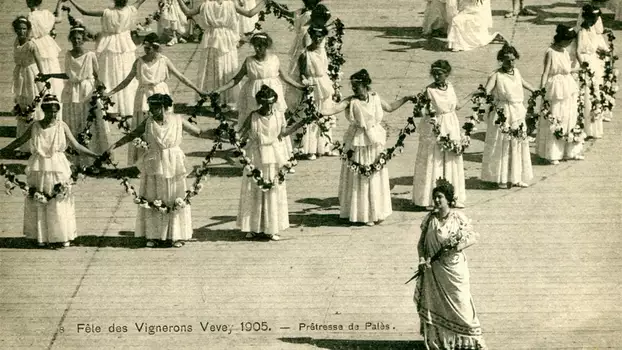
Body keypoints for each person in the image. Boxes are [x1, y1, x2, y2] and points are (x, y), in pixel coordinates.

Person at [105, 94, 213, 248]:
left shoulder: (177, 119)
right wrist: (113, 146)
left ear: (164, 106)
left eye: (155, 107)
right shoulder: (148, 122)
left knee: (174, 195)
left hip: (174, 161)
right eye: (150, 107)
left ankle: (176, 235)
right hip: (154, 162)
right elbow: (132, 135)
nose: (152, 111)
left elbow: (199, 132)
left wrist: (218, 134)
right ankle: (154, 235)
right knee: (153, 194)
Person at [0, 94, 100, 248]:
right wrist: (3, 151)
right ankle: (40, 236)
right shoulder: (35, 126)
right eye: (49, 111)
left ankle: (60, 235)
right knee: (39, 198)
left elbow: (76, 145)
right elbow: (20, 141)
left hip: (58, 166)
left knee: (58, 199)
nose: (52, 114)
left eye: (55, 111)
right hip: (39, 166)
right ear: (44, 110)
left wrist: (95, 155)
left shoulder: (62, 126)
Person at [321, 69, 413, 226]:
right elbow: (331, 110)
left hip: (374, 141)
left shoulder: (375, 97)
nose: (354, 89)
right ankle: (361, 213)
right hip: (358, 142)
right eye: (353, 86)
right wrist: (314, 104)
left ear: (365, 85)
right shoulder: (351, 101)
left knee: (374, 173)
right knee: (360, 175)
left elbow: (390, 107)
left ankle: (375, 211)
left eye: (357, 86)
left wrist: (406, 98)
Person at [105, 33, 206, 165]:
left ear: (156, 48)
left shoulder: (164, 60)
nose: (146, 51)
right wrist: (111, 92)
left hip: (161, 94)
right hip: (143, 96)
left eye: (149, 48)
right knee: (143, 128)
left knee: (163, 125)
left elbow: (181, 77)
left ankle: (164, 160)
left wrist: (198, 90)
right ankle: (143, 162)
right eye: (145, 48)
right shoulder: (139, 62)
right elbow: (127, 80)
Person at [414, 179, 487, 350]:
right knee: (436, 306)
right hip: (433, 272)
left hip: (454, 270)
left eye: (440, 197)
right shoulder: (429, 218)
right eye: (435, 197)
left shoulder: (458, 218)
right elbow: (421, 244)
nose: (437, 201)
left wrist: (456, 245)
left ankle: (472, 341)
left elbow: (472, 237)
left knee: (462, 304)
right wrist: (422, 260)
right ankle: (440, 342)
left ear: (448, 199)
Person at [237, 85, 307, 241]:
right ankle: (253, 227)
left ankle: (272, 228)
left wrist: (301, 124)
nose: (269, 106)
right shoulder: (253, 116)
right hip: (256, 156)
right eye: (265, 103)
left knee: (273, 190)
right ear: (260, 102)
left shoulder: (279, 115)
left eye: (271, 103)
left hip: (274, 156)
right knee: (254, 190)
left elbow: (283, 133)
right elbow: (240, 134)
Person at [211, 32, 305, 144]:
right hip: (253, 94)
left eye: (260, 46)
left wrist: (300, 86)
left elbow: (285, 77)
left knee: (274, 116)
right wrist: (219, 90)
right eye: (255, 46)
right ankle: (249, 145)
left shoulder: (274, 59)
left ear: (266, 46)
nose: (257, 48)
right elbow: (236, 79)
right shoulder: (249, 61)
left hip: (272, 93)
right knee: (253, 118)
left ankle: (275, 143)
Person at [176, 0, 268, 109]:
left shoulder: (205, 5)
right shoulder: (231, 4)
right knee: (226, 66)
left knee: (211, 68)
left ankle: (213, 96)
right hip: (226, 38)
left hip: (211, 38)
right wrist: (264, 2)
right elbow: (250, 13)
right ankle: (225, 98)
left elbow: (188, 12)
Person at [66, 0, 147, 119]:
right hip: (125, 44)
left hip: (109, 44)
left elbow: (84, 11)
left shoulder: (107, 12)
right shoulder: (130, 10)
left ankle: (109, 106)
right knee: (125, 73)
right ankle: (127, 106)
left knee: (108, 74)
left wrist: (71, 1)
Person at [53, 25, 112, 168]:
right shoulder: (68, 55)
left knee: (88, 124)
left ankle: (92, 161)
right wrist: (49, 75)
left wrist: (101, 91)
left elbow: (97, 76)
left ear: (83, 40)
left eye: (79, 38)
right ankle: (76, 162)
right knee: (73, 123)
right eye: (73, 39)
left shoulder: (90, 55)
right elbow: (67, 75)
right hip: (71, 92)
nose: (76, 41)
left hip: (87, 91)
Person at [412, 60, 466, 209]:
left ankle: (452, 197)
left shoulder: (451, 87)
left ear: (447, 74)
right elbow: (422, 111)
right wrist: (418, 108)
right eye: (434, 73)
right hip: (434, 125)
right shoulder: (428, 90)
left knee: (450, 159)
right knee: (434, 159)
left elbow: (457, 106)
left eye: (439, 74)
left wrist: (474, 94)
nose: (436, 76)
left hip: (451, 124)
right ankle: (431, 199)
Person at [481, 44, 535, 187]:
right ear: (501, 60)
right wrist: (483, 94)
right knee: (502, 144)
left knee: (517, 142)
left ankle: (516, 177)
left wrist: (535, 90)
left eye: (512, 60)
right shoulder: (495, 75)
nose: (510, 63)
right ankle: (501, 178)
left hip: (517, 111)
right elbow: (487, 90)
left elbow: (523, 83)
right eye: (507, 60)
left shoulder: (516, 72)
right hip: (503, 112)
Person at [537, 25, 584, 164]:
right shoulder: (550, 52)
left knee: (570, 116)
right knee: (557, 116)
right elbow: (545, 72)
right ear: (561, 39)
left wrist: (580, 69)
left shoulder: (564, 51)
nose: (570, 43)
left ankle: (570, 151)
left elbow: (567, 69)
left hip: (568, 84)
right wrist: (542, 89)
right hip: (556, 87)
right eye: (568, 40)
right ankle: (554, 153)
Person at [293, 25, 336, 159]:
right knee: (312, 114)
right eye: (315, 36)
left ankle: (325, 146)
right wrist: (305, 82)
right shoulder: (305, 54)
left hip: (324, 84)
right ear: (311, 37)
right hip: (312, 86)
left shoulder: (323, 51)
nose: (318, 39)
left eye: (320, 36)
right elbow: (301, 74)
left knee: (325, 112)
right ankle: (310, 149)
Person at [12, 16, 44, 156]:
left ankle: (35, 145)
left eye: (24, 29)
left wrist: (42, 76)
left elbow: (39, 60)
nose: (21, 31)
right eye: (19, 29)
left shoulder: (31, 44)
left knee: (33, 105)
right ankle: (24, 146)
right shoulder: (16, 42)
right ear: (15, 30)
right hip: (20, 75)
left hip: (31, 75)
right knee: (22, 105)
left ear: (28, 30)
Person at [576, 4, 609, 139]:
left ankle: (593, 126)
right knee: (585, 94)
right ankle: (583, 126)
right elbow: (577, 50)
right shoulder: (580, 31)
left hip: (593, 62)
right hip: (585, 64)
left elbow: (597, 45)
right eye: (592, 19)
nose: (594, 21)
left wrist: (605, 51)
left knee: (595, 92)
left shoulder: (593, 31)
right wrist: (583, 66)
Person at [26, 0, 64, 102]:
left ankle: (43, 100)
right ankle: (55, 100)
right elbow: (59, 19)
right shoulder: (46, 14)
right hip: (48, 44)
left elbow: (28, 34)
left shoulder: (30, 17)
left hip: (36, 44)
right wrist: (60, 4)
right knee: (53, 71)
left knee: (39, 71)